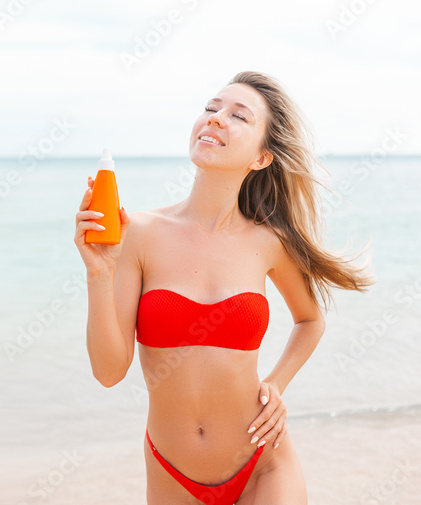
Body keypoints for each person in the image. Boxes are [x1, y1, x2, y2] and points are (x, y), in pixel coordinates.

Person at [73, 71, 372, 504]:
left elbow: (310, 320)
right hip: (172, 474)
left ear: (262, 158)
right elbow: (108, 372)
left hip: (263, 463)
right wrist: (98, 275)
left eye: (237, 116)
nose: (215, 119)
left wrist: (276, 385)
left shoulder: (270, 242)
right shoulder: (136, 232)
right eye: (211, 108)